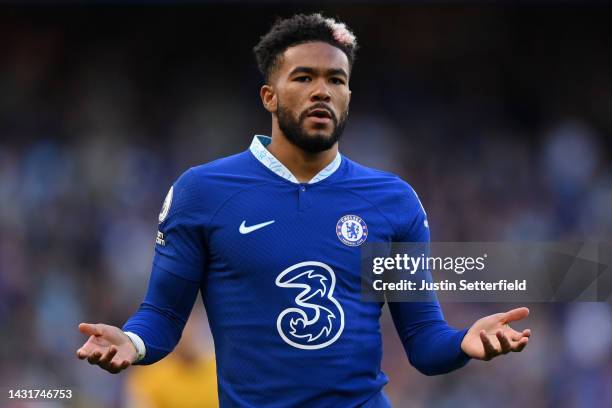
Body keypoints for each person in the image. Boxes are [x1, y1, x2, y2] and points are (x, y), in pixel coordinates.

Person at [77, 13, 531, 407]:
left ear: (349, 96)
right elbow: (164, 316)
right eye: (304, 77)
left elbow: (423, 340)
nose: (322, 91)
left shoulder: (393, 201)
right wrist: (133, 342)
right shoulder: (204, 192)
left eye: (336, 80)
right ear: (268, 97)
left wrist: (463, 342)